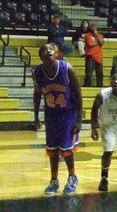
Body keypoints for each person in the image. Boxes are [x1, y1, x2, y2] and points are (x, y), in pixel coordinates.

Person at [33, 43, 83, 196]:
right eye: (44, 50)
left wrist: (79, 120)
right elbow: (37, 95)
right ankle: (54, 180)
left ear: (55, 53)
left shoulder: (67, 69)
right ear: (41, 57)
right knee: (52, 150)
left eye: (50, 49)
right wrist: (36, 118)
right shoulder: (37, 72)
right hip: (51, 114)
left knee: (67, 150)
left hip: (68, 114)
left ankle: (72, 177)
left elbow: (79, 94)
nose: (48, 51)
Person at [83, 21, 105, 87]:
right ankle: (88, 86)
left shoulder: (100, 35)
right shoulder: (87, 35)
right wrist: (97, 42)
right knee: (89, 73)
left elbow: (101, 43)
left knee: (100, 74)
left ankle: (99, 86)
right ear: (90, 28)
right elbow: (90, 44)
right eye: (92, 26)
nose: (94, 28)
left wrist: (97, 35)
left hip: (99, 57)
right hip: (90, 56)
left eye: (95, 27)